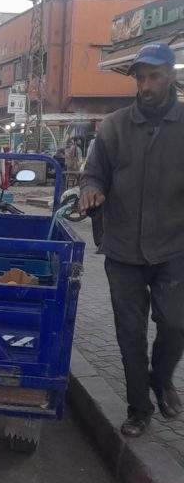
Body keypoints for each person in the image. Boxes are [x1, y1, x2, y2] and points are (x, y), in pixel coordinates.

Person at [79, 42, 184, 437]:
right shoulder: (114, 126)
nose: (146, 86)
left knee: (175, 324)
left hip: (173, 247)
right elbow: (93, 174)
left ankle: (161, 378)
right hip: (123, 248)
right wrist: (91, 190)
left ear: (170, 76)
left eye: (154, 76)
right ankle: (139, 408)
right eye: (140, 78)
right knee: (129, 334)